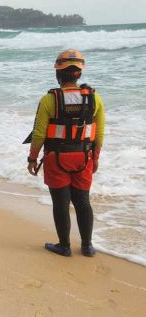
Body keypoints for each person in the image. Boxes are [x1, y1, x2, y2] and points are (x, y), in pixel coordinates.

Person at [27, 50, 104, 257]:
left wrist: (32, 158)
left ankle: (64, 246)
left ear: (58, 74)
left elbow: (39, 134)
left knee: (60, 204)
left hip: (56, 158)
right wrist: (95, 158)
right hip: (84, 157)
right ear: (79, 74)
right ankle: (87, 246)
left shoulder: (48, 100)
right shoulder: (94, 98)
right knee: (83, 202)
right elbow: (99, 133)